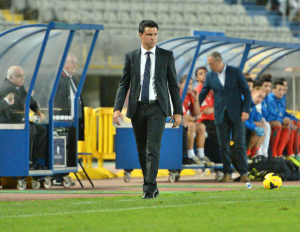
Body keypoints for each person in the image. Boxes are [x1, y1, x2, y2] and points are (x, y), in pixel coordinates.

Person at [113, 20, 182, 199]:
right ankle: (151, 183)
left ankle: (149, 188)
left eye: (155, 34)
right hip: (137, 108)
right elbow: (124, 84)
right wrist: (117, 108)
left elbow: (174, 85)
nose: (153, 38)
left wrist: (178, 111)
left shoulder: (166, 56)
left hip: (158, 108)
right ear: (141, 35)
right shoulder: (131, 56)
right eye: (149, 34)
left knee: (153, 147)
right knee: (142, 150)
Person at [199, 51, 251, 183]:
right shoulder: (210, 76)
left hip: (237, 114)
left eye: (211, 64)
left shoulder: (235, 72)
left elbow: (246, 91)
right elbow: (203, 93)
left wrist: (246, 110)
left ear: (218, 61)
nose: (209, 67)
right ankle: (227, 173)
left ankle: (244, 172)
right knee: (223, 146)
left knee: (239, 144)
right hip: (220, 114)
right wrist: (195, 109)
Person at [0, 66, 47, 170]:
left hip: (19, 120)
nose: (23, 78)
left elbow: (29, 100)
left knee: (42, 130)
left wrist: (36, 109)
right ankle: (27, 161)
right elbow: (18, 106)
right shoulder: (8, 88)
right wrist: (28, 98)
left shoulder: (19, 86)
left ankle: (36, 160)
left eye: (23, 75)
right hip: (10, 121)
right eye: (20, 76)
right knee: (30, 130)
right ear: (11, 77)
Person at [52, 53, 84, 186]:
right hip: (62, 118)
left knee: (69, 146)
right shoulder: (59, 78)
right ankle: (57, 176)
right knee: (60, 147)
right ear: (64, 63)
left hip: (73, 119)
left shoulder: (72, 79)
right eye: (72, 62)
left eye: (76, 63)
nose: (75, 65)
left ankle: (64, 174)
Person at [178, 75, 214, 166]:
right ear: (180, 85)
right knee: (192, 125)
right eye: (187, 84)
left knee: (201, 127)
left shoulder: (190, 95)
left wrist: (197, 98)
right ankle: (189, 154)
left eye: (191, 84)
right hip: (172, 121)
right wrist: (194, 119)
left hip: (184, 122)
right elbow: (183, 116)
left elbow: (197, 113)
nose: (189, 86)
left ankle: (201, 154)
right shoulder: (178, 94)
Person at [263, 80, 294, 159]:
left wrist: (292, 119)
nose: (281, 92)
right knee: (278, 124)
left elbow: (282, 113)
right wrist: (282, 120)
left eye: (283, 90)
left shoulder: (281, 99)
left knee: (292, 124)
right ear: (274, 90)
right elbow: (268, 116)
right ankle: (273, 153)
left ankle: (286, 153)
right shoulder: (270, 99)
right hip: (266, 122)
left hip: (271, 121)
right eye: (279, 90)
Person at [194, 66, 219, 162]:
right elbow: (206, 111)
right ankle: (222, 166)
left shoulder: (211, 90)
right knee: (220, 138)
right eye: (201, 73)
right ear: (197, 78)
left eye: (205, 73)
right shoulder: (198, 91)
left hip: (213, 120)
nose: (204, 75)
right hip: (204, 121)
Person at [277, 77, 300, 164]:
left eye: (285, 86)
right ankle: (288, 153)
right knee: (289, 125)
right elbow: (274, 114)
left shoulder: (283, 97)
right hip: (274, 122)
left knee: (297, 123)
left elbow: (283, 112)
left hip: (279, 120)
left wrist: (293, 118)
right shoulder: (272, 98)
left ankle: (295, 153)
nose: (286, 88)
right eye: (283, 86)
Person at [245, 87, 266, 160]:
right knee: (254, 129)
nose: (260, 100)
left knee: (262, 128)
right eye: (259, 96)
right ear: (252, 93)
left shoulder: (253, 106)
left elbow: (250, 119)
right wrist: (254, 127)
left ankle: (253, 153)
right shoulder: (245, 101)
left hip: (243, 125)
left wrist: (255, 127)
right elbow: (241, 119)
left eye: (262, 98)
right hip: (235, 126)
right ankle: (246, 153)